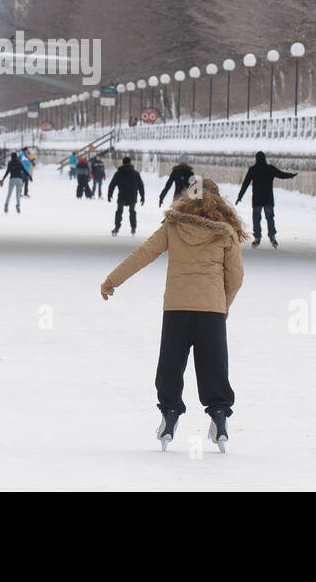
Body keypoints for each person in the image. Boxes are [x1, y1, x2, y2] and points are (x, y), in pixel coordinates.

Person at [100, 175, 245, 452]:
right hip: (211, 311)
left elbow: (143, 254)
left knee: (171, 363)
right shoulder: (225, 231)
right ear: (216, 199)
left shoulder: (173, 224)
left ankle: (169, 414)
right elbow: (236, 276)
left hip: (177, 308)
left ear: (187, 197)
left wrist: (112, 280)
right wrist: (223, 304)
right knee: (214, 367)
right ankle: (219, 416)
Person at [234, 151, 298, 248]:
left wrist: (240, 196)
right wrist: (290, 175)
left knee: (256, 219)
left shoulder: (253, 169)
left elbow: (245, 184)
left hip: (257, 199)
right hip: (268, 199)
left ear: (256, 159)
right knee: (270, 218)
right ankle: (272, 236)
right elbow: (281, 174)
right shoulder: (270, 168)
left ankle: (257, 237)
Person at [107, 156, 145, 236]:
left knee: (119, 211)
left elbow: (112, 185)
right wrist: (142, 196)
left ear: (123, 163)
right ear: (130, 163)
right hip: (132, 195)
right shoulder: (135, 173)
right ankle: (133, 228)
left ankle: (117, 227)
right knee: (132, 211)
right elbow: (141, 185)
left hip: (122, 195)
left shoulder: (118, 173)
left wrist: (109, 194)